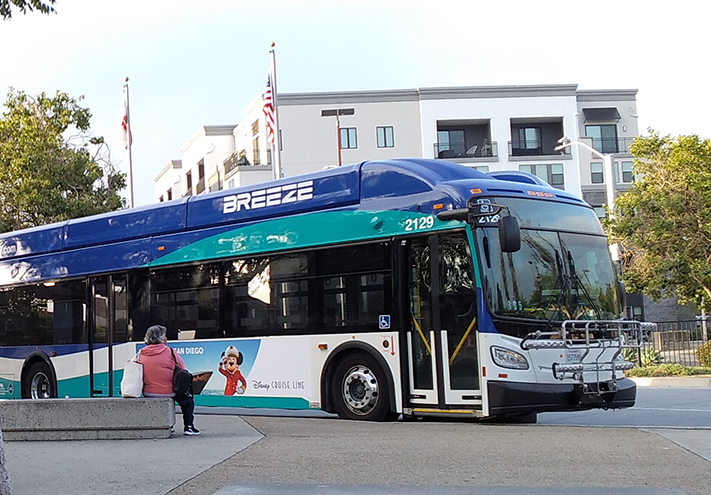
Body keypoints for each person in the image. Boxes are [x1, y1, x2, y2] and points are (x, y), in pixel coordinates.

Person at [139, 325, 200, 436]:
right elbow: (183, 370)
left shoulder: (141, 353)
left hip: (147, 392)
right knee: (188, 402)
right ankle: (189, 427)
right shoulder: (170, 352)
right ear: (163, 339)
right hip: (169, 391)